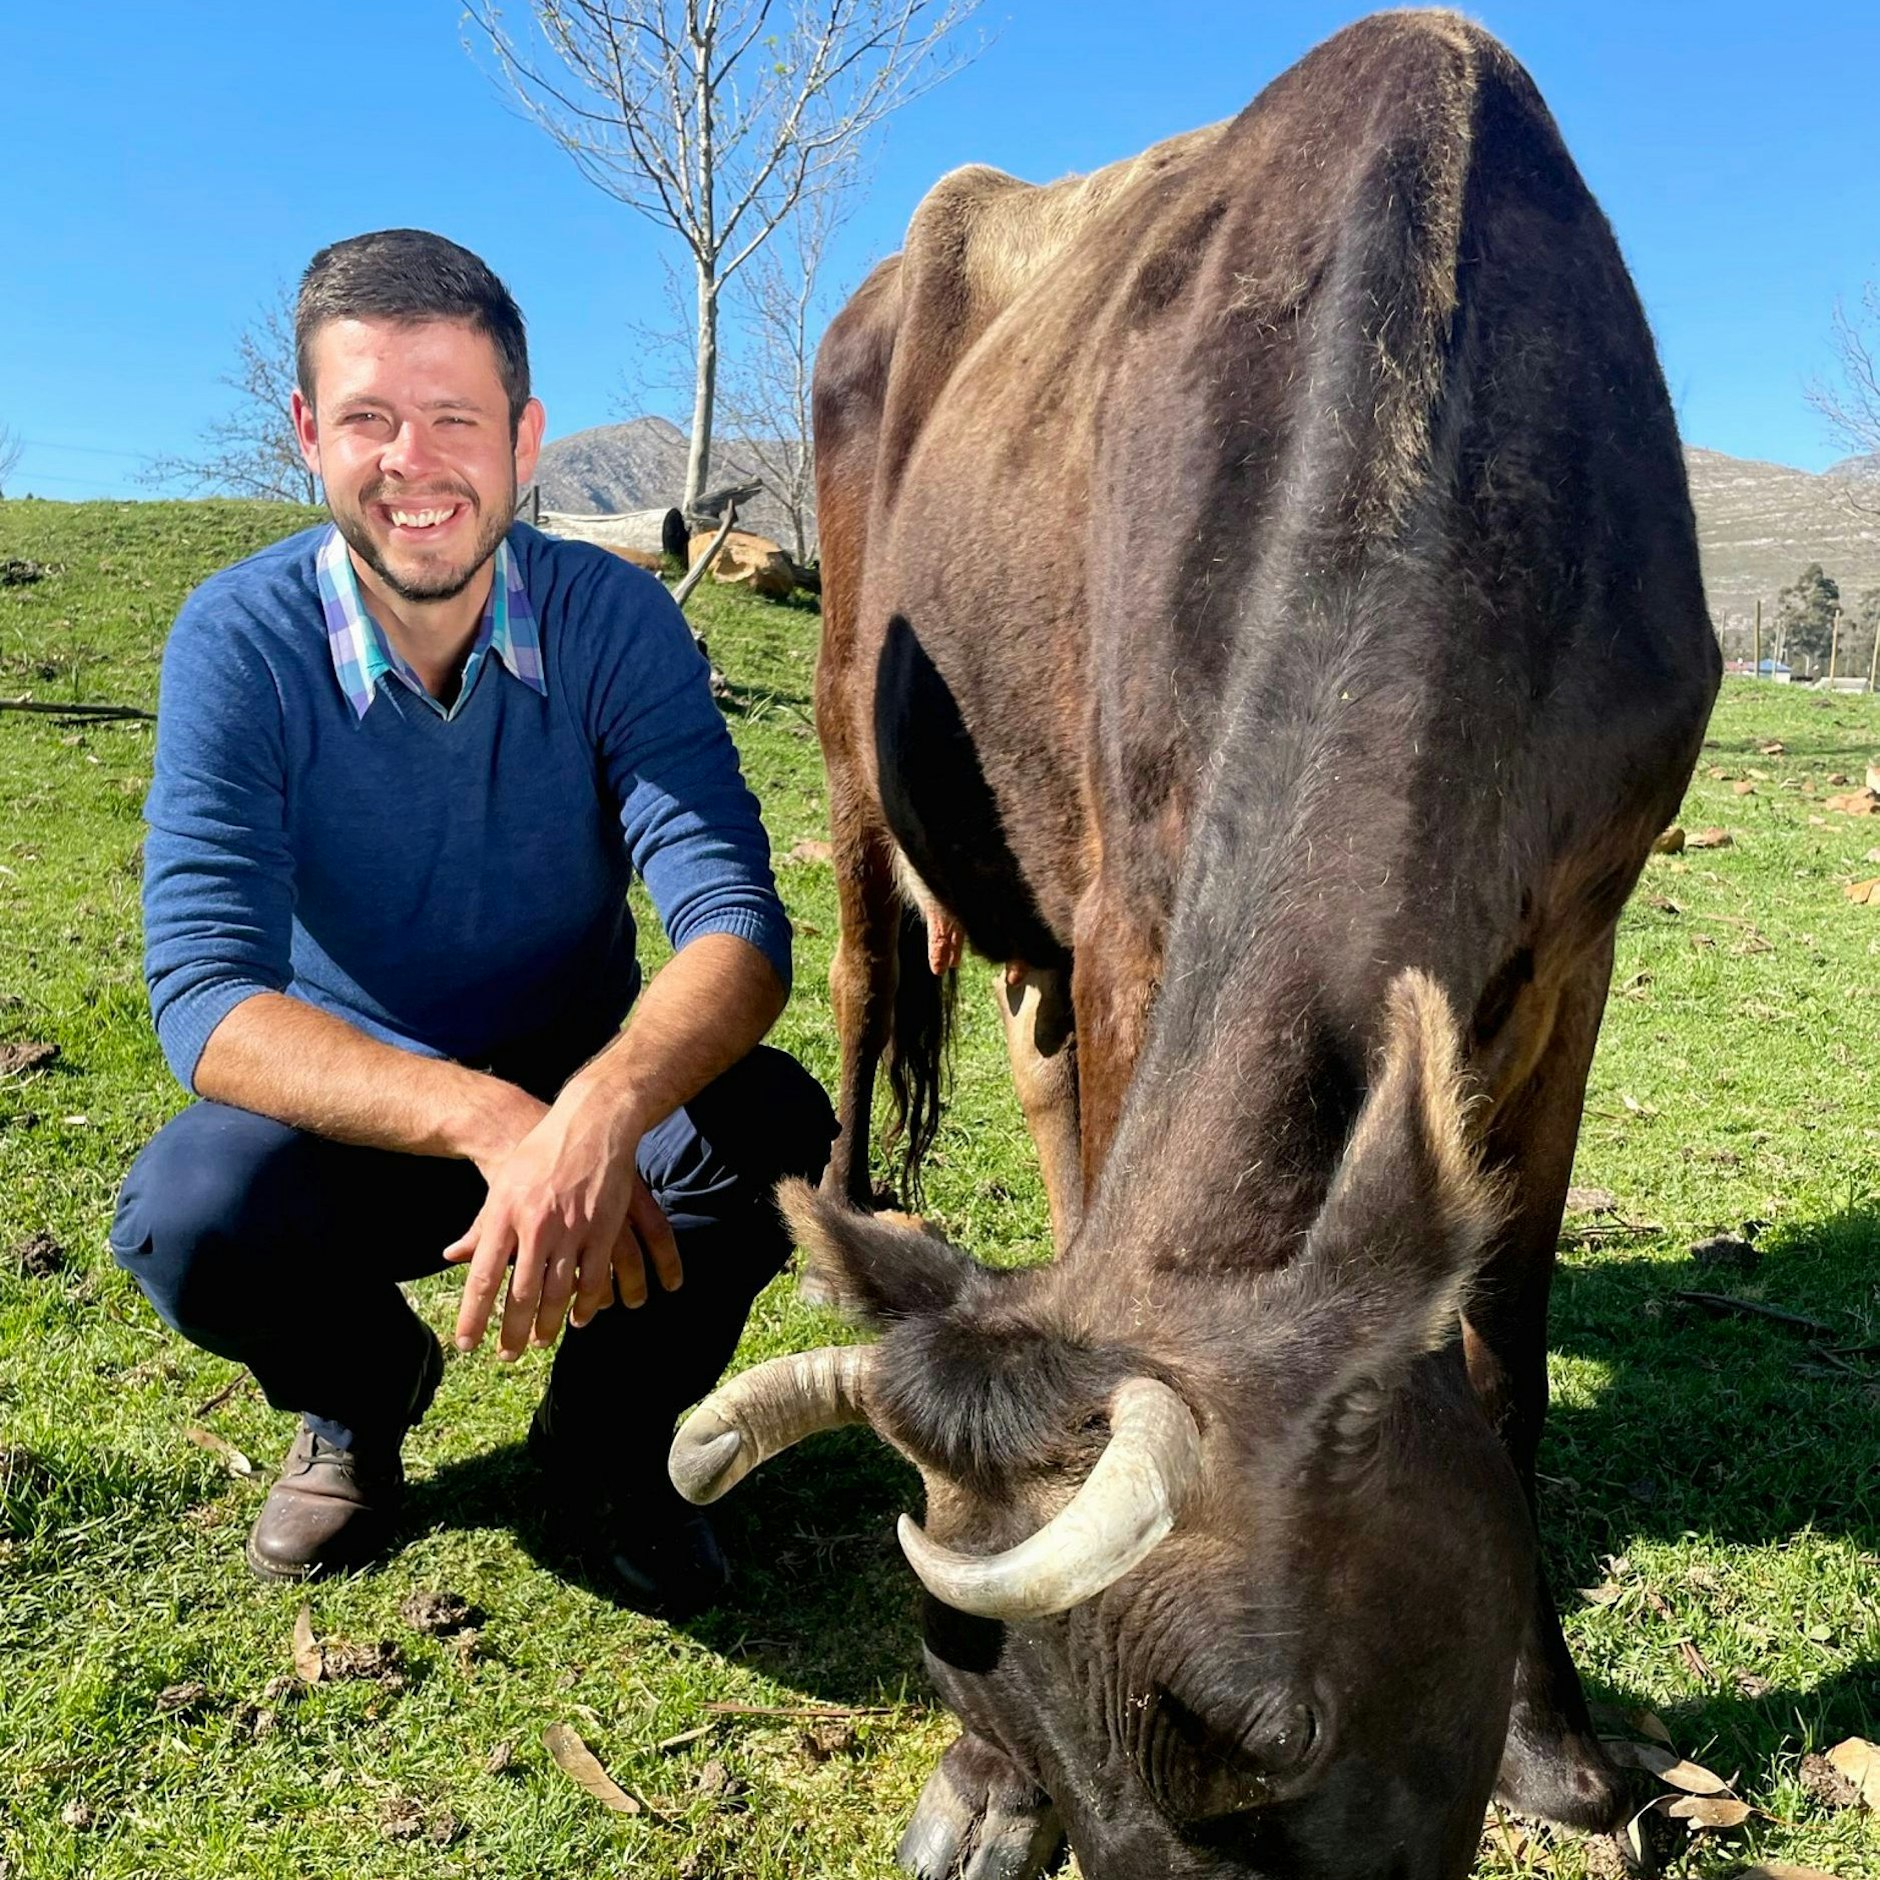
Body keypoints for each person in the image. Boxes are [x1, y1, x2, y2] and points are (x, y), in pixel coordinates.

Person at [107, 229, 834, 1616]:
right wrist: (487, 1121)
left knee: (769, 1126)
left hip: (582, 1105)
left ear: (525, 435)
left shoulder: (615, 620)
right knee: (188, 1217)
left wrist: (600, 1106)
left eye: (457, 418)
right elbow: (203, 991)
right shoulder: (238, 641)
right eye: (370, 418)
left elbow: (734, 918)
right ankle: (363, 1401)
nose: (415, 461)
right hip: (361, 1122)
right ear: (309, 433)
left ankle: (605, 1440)